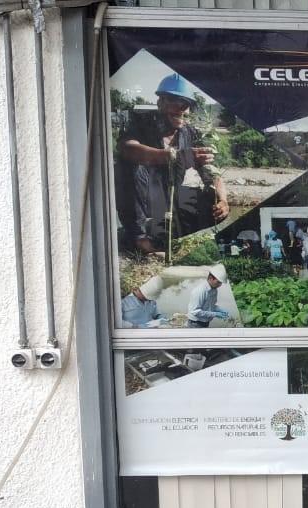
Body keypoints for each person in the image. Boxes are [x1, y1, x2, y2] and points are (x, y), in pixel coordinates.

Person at [114, 73, 229, 255]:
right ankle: (139, 238)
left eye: (186, 104)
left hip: (168, 203)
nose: (182, 109)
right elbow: (128, 148)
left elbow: (211, 171)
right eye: (176, 101)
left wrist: (222, 200)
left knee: (213, 203)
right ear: (160, 102)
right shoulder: (141, 122)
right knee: (132, 166)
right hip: (141, 202)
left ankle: (160, 238)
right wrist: (173, 156)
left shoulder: (191, 133)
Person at [186, 264, 229, 328]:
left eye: (221, 283)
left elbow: (211, 305)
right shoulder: (200, 291)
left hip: (206, 321)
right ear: (211, 278)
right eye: (218, 282)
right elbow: (195, 311)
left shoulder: (214, 290)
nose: (220, 285)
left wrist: (219, 310)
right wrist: (215, 314)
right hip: (195, 323)